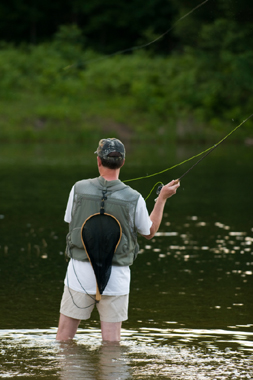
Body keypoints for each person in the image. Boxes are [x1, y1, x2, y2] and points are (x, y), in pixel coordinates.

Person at [56, 138, 180, 342]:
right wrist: (162, 199)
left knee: (63, 339)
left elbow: (70, 221)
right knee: (112, 344)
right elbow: (149, 232)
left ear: (98, 161)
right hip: (116, 278)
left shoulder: (77, 188)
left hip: (79, 273)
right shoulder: (134, 198)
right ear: (122, 162)